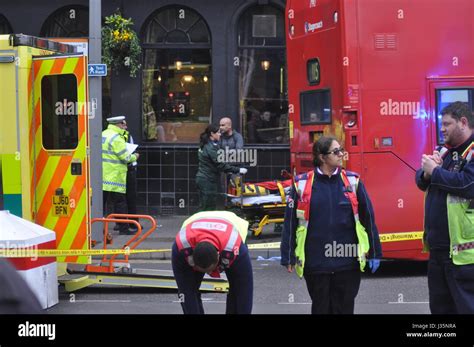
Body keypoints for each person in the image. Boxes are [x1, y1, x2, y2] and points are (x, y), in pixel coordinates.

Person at [281, 135, 382, 314]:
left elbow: (368, 218)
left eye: (341, 150)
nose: (341, 154)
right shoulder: (301, 184)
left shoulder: (353, 181)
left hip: (347, 262)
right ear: (322, 157)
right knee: (321, 308)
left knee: (344, 308)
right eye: (336, 152)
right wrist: (287, 255)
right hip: (316, 262)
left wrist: (375, 252)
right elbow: (290, 222)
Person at [415, 101, 474, 314]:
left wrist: (436, 172)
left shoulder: (472, 152)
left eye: (447, 124)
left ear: (463, 123)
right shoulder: (446, 151)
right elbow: (421, 181)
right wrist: (426, 172)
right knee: (440, 311)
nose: (442, 129)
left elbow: (468, 184)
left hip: (463, 257)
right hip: (439, 252)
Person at [172, 211, 253, 314]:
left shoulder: (235, 248)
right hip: (195, 221)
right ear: (192, 260)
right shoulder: (181, 248)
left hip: (231, 224)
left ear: (219, 257)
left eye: (211, 270)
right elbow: (185, 292)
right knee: (189, 291)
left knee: (238, 290)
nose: (209, 274)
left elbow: (244, 293)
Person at [102, 116, 139, 235]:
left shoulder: (103, 134)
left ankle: (97, 228)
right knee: (120, 202)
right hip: (115, 176)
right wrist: (135, 157)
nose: (125, 126)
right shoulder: (117, 138)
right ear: (119, 124)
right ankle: (123, 228)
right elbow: (126, 157)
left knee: (100, 203)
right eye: (124, 124)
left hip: (103, 175)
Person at [196, 124, 247, 211]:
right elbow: (220, 164)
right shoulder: (210, 147)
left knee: (204, 206)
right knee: (209, 207)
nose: (220, 134)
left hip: (203, 178)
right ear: (212, 134)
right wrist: (237, 170)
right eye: (218, 132)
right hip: (208, 180)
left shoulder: (205, 145)